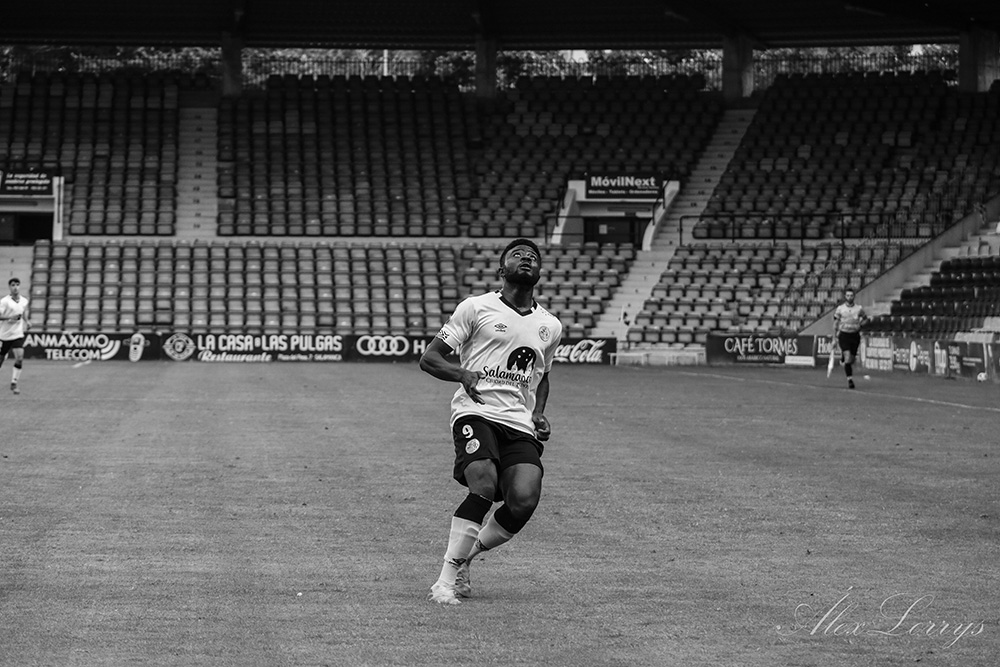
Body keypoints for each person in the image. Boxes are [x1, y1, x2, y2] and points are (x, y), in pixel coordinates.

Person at [419, 238, 563, 605]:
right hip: (476, 411)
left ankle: (467, 555)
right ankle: (444, 583)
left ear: (540, 272)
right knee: (483, 483)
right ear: (502, 269)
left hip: (518, 422)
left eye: (533, 256)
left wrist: (539, 412)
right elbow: (430, 358)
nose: (527, 258)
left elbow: (543, 375)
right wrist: (461, 374)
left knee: (524, 499)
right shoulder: (475, 307)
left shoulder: (550, 325)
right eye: (517, 254)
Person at [0, 277, 31, 395]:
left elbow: (23, 312)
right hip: (4, 335)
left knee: (20, 357)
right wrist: (10, 317)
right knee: (1, 359)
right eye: (13, 285)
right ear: (9, 287)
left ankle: (14, 383)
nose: (15, 287)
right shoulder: (4, 301)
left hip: (17, 334)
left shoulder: (24, 301)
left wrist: (27, 321)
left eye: (17, 284)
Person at [833, 287, 867, 389]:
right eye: (848, 295)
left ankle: (844, 357)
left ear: (854, 296)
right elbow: (835, 323)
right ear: (845, 296)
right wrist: (834, 338)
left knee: (851, 359)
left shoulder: (859, 308)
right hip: (844, 334)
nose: (849, 297)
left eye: (851, 295)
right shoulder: (840, 309)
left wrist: (860, 325)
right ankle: (850, 380)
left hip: (855, 335)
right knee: (848, 357)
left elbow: (865, 319)